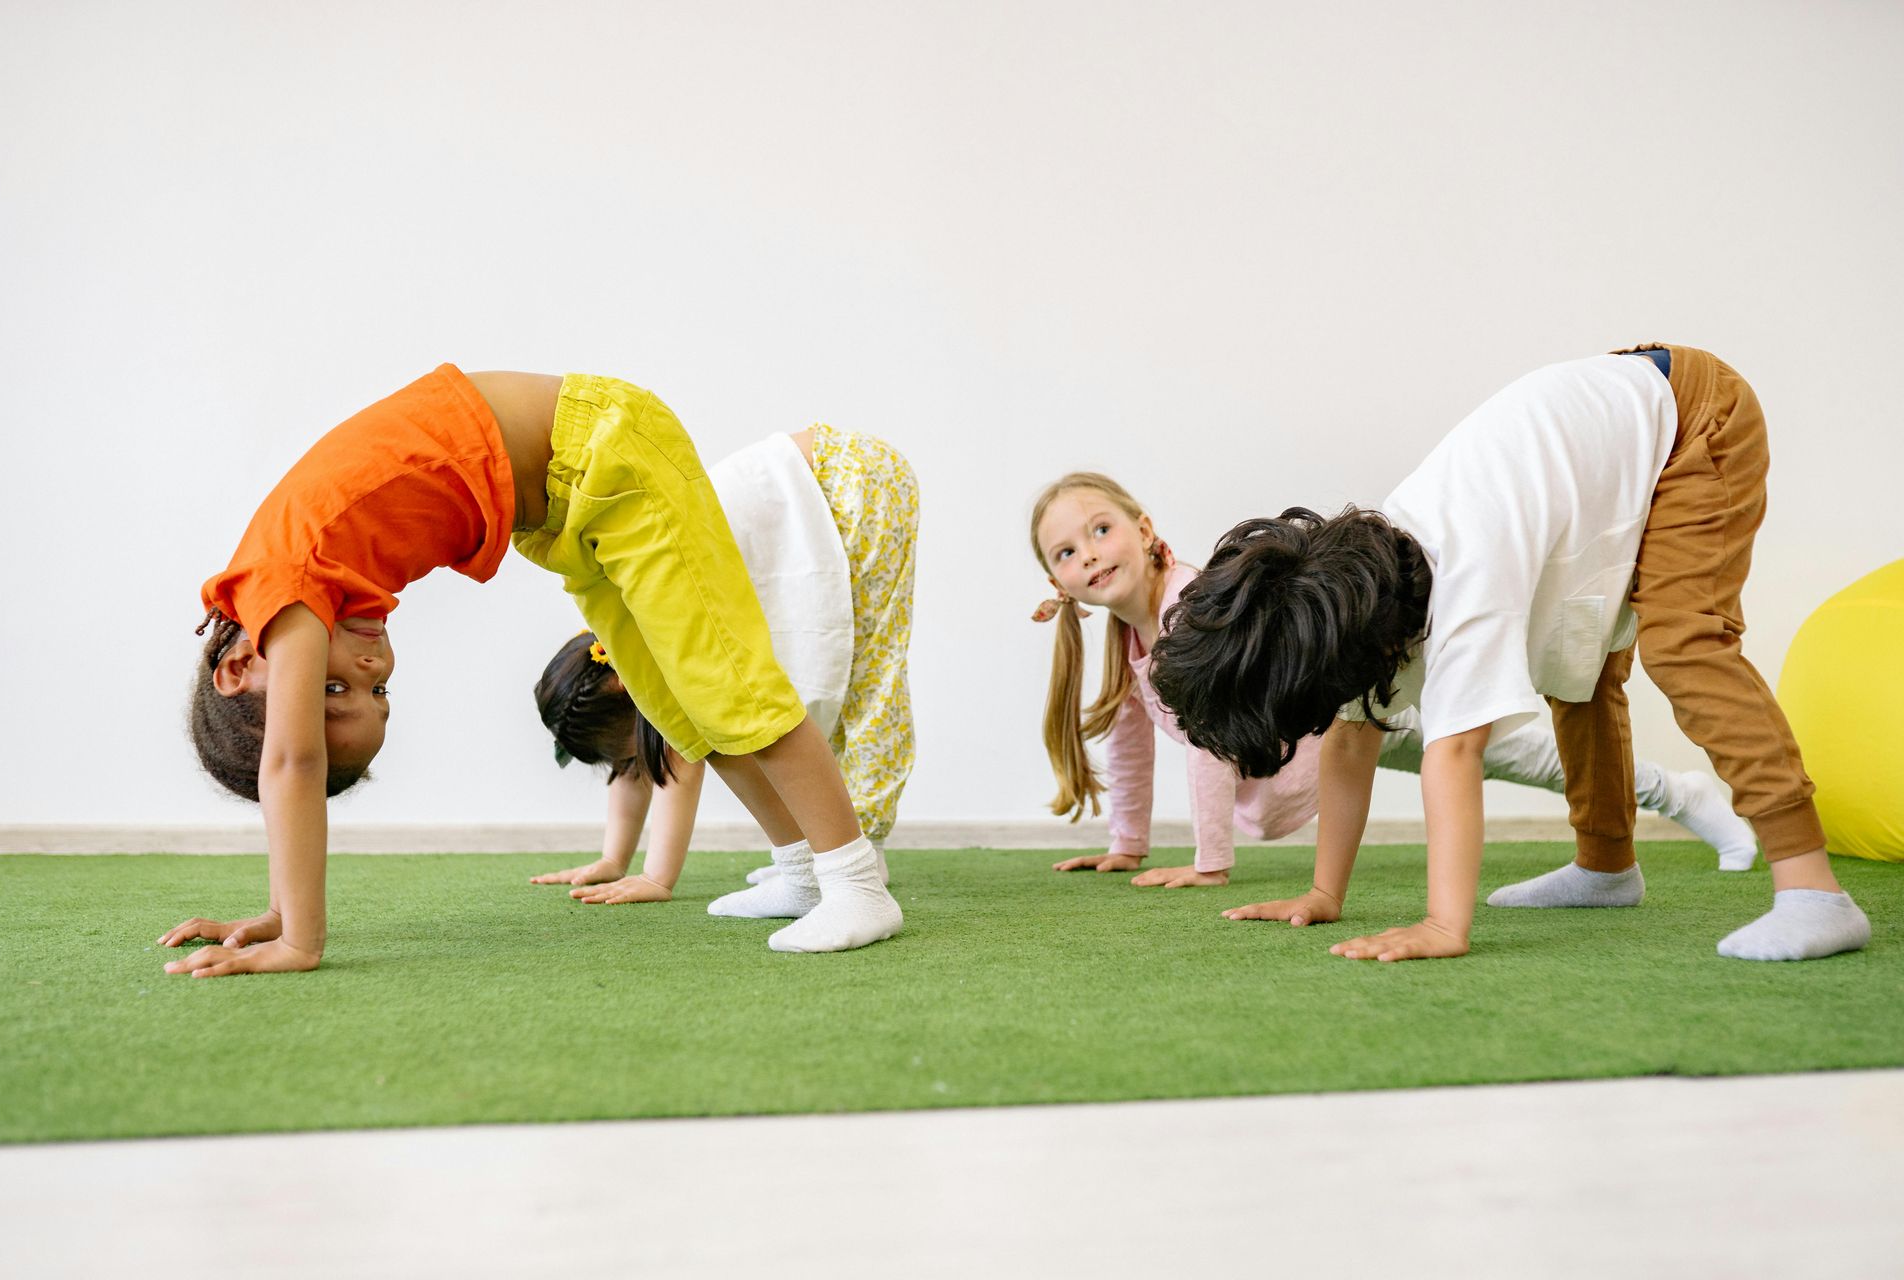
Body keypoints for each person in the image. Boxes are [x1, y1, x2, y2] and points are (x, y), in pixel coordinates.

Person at [166, 368, 898, 977]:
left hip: (605, 449)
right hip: (568, 508)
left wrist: (302, 938)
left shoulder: (283, 588)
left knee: (729, 683)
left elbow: (292, 762)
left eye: (329, 690)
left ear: (238, 667)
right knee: (680, 704)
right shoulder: (287, 588)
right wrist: (278, 910)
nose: (368, 665)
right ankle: (802, 869)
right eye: (378, 690)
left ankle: (855, 881)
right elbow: (295, 756)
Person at [1149, 346, 1871, 962]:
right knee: (1577, 674)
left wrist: (1443, 924)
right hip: (1608, 432)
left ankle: (1813, 889)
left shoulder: (1462, 581)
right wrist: (1324, 893)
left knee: (1685, 644)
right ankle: (1606, 867)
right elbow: (1350, 737)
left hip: (1690, 420)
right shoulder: (1336, 602)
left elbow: (1454, 756)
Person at [1031, 472, 1755, 889]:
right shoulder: (1127, 639)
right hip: (1326, 742)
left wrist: (1211, 864)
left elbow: (1206, 750)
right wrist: (1127, 843)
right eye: (1066, 551)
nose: (1089, 554)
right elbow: (1131, 746)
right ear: (1058, 584)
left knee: (1516, 755)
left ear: (1144, 526)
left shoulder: (1193, 608)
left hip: (1350, 710)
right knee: (1517, 758)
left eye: (1100, 530)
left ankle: (1672, 791)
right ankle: (1662, 791)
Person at [532, 426, 917, 913]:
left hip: (853, 482)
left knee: (868, 674)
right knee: (836, 677)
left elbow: (680, 763)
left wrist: (656, 877)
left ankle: (864, 850)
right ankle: (831, 851)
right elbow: (638, 768)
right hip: (821, 484)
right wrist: (614, 858)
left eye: (633, 755)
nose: (640, 767)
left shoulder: (655, 640)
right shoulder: (622, 637)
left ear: (627, 692)